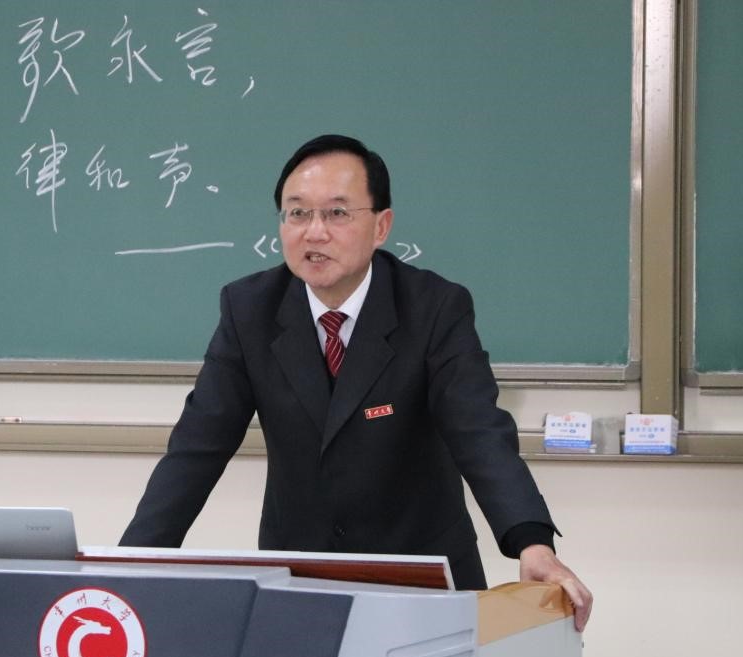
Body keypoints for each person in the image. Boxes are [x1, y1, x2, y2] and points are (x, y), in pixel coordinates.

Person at [121, 134, 592, 631]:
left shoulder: (434, 308)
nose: (314, 232)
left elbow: (478, 430)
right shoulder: (249, 309)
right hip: (300, 576)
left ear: (381, 226)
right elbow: (198, 445)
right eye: (297, 213)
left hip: (421, 575)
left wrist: (531, 542)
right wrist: (132, 562)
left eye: (337, 213)